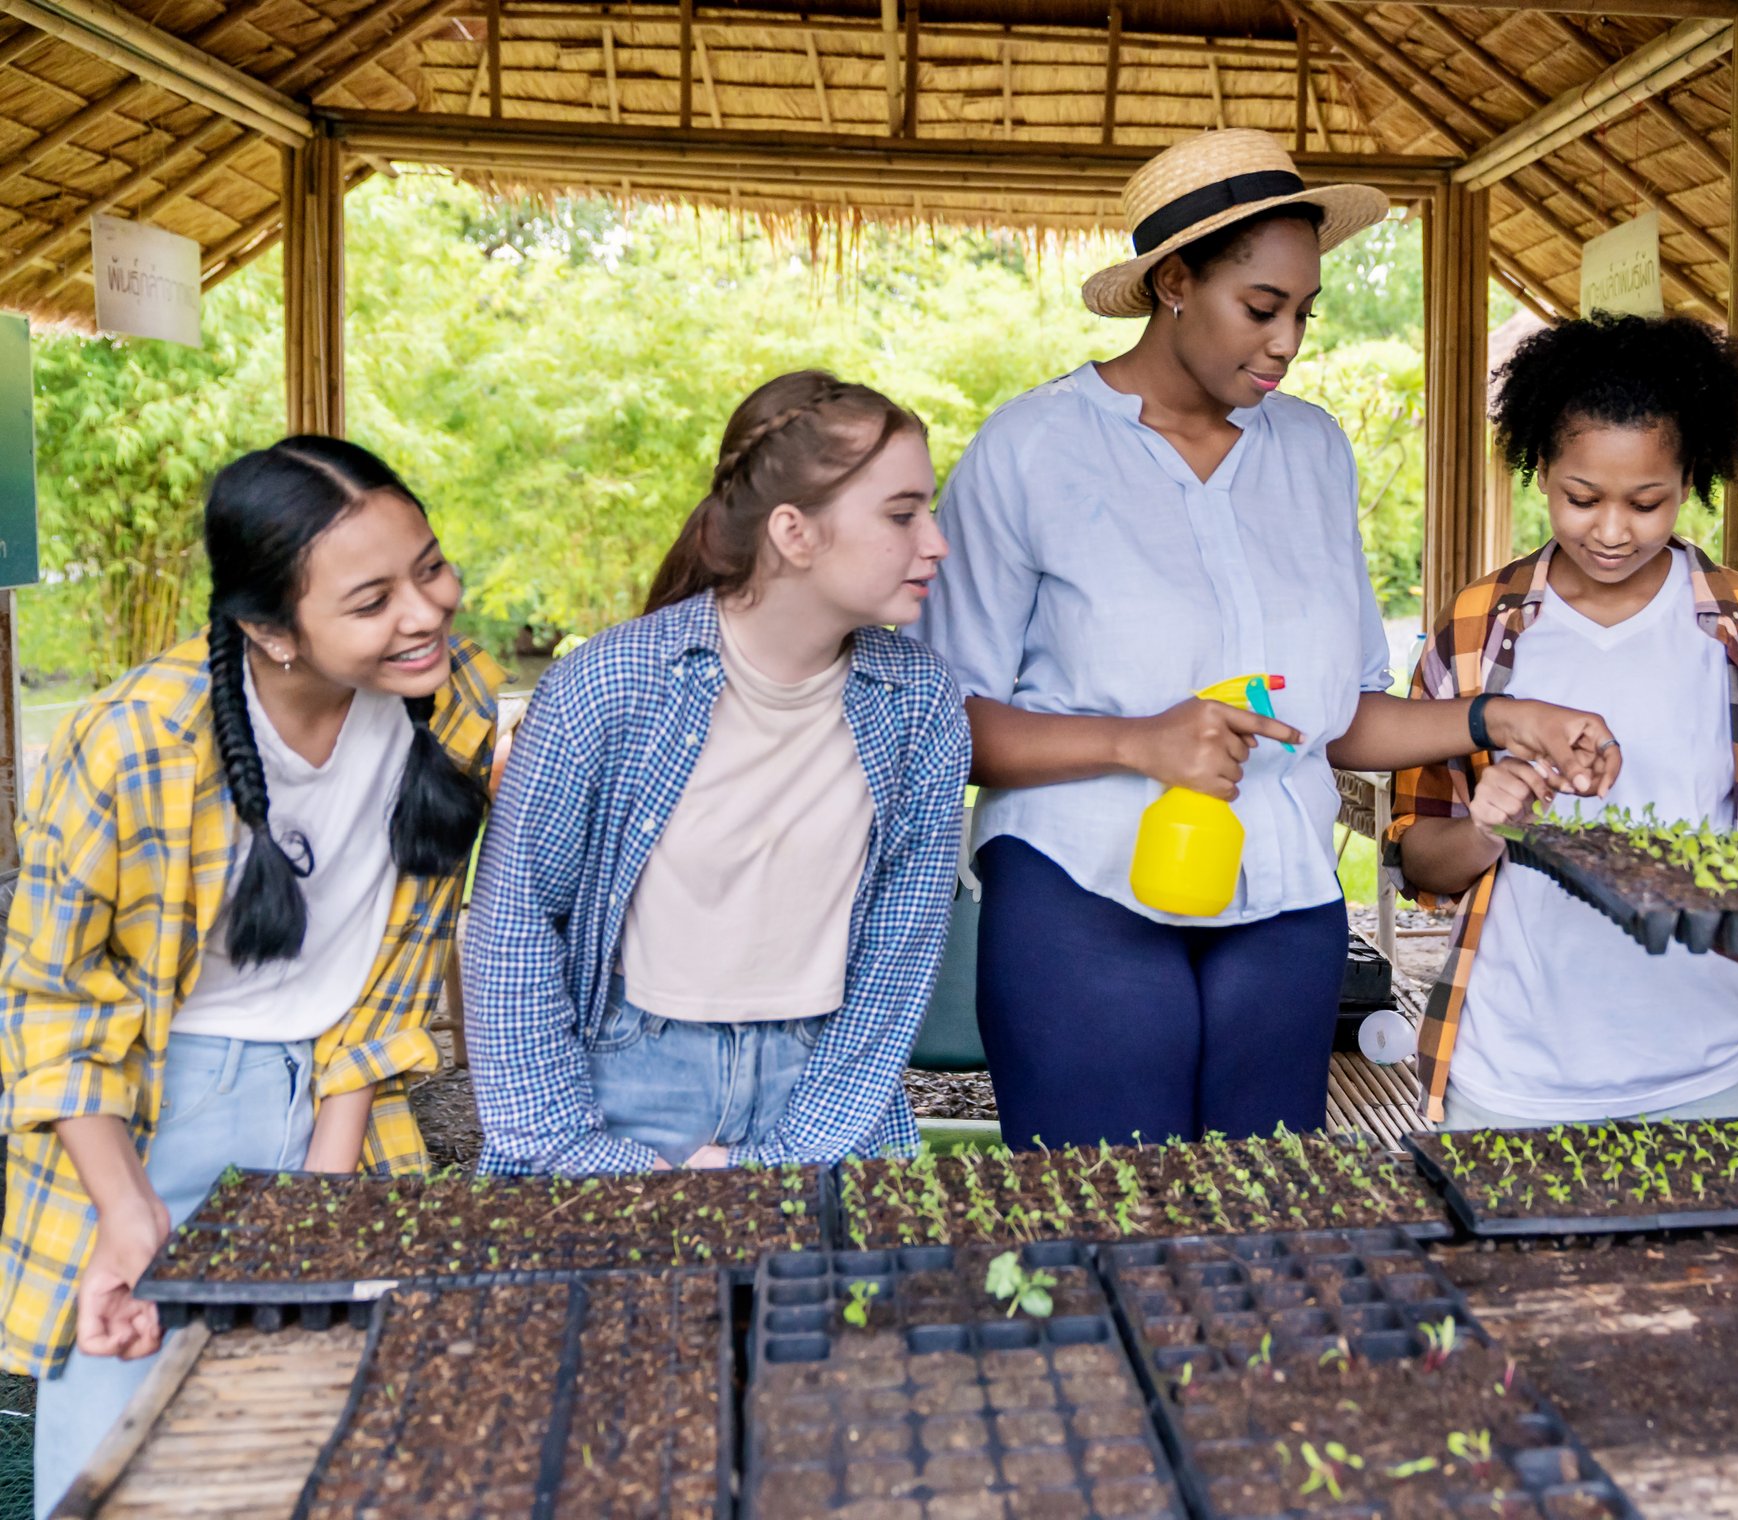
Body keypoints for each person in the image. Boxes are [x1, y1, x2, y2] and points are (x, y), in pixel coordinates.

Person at [917, 130, 1620, 1149]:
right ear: (1172, 282)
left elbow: (1332, 717)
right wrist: (1136, 742)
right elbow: (946, 722)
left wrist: (1498, 715)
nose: (1288, 341)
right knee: (1102, 1227)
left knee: (1261, 1230)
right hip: (1079, 894)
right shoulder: (1031, 450)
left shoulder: (1313, 451)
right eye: (1260, 307)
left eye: (1302, 311)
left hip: (1284, 901)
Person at [1, 439, 498, 1514]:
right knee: (124, 1466)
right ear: (270, 630)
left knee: (343, 1454)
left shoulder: (451, 701)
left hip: (340, 1108)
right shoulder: (133, 741)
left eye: (431, 566)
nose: (425, 612)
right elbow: (48, 997)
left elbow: (397, 966)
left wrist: (327, 1177)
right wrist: (127, 1210)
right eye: (371, 599)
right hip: (149, 1118)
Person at [466, 371, 967, 1173]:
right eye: (903, 514)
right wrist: (578, 1150)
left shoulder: (919, 702)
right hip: (623, 1084)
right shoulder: (609, 686)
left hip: (831, 1088)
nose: (935, 541)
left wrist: (793, 1158)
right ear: (794, 533)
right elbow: (514, 928)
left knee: (849, 1300)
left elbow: (898, 953)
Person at [1389, 313, 1738, 1128]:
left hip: (1712, 1066)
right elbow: (1422, 857)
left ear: (1690, 478)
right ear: (1539, 469)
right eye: (1581, 497)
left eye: (1646, 502)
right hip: (1514, 1072)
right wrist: (1497, 827)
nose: (1610, 530)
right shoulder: (1477, 626)